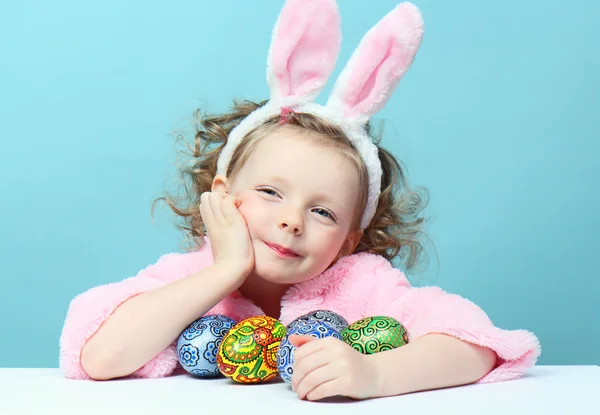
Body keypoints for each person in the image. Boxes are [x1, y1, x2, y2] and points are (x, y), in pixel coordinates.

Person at [58, 0, 540, 401]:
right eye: (270, 192)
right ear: (223, 198)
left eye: (323, 211)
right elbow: (94, 355)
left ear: (349, 241)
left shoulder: (361, 283)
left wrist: (376, 376)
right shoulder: (190, 276)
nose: (291, 221)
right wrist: (223, 272)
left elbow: (478, 344)